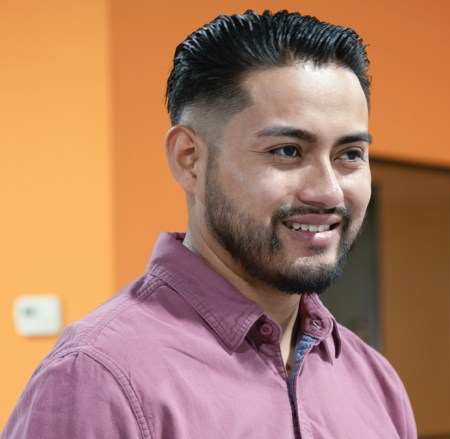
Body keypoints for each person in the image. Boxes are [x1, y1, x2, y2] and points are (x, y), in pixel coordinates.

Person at [2, 10, 416, 439]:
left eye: (349, 154)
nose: (328, 192)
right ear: (190, 159)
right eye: (287, 151)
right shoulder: (98, 379)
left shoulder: (375, 382)